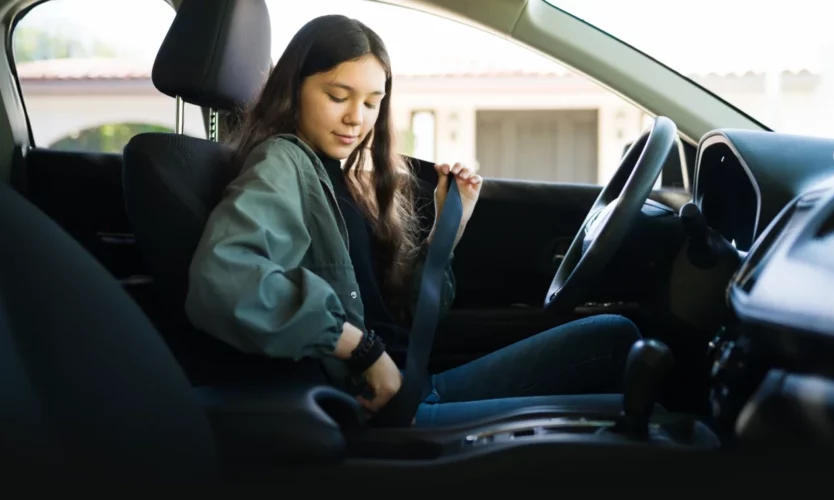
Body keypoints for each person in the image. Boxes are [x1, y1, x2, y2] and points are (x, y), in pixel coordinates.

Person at [186, 14, 642, 427]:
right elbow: (226, 279)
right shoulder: (282, 162)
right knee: (631, 386)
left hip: (415, 382)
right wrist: (360, 348)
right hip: (391, 411)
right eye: (337, 96)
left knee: (615, 337)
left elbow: (401, 317)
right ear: (294, 89)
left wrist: (450, 227)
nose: (356, 118)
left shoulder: (335, 175)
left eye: (371, 102)